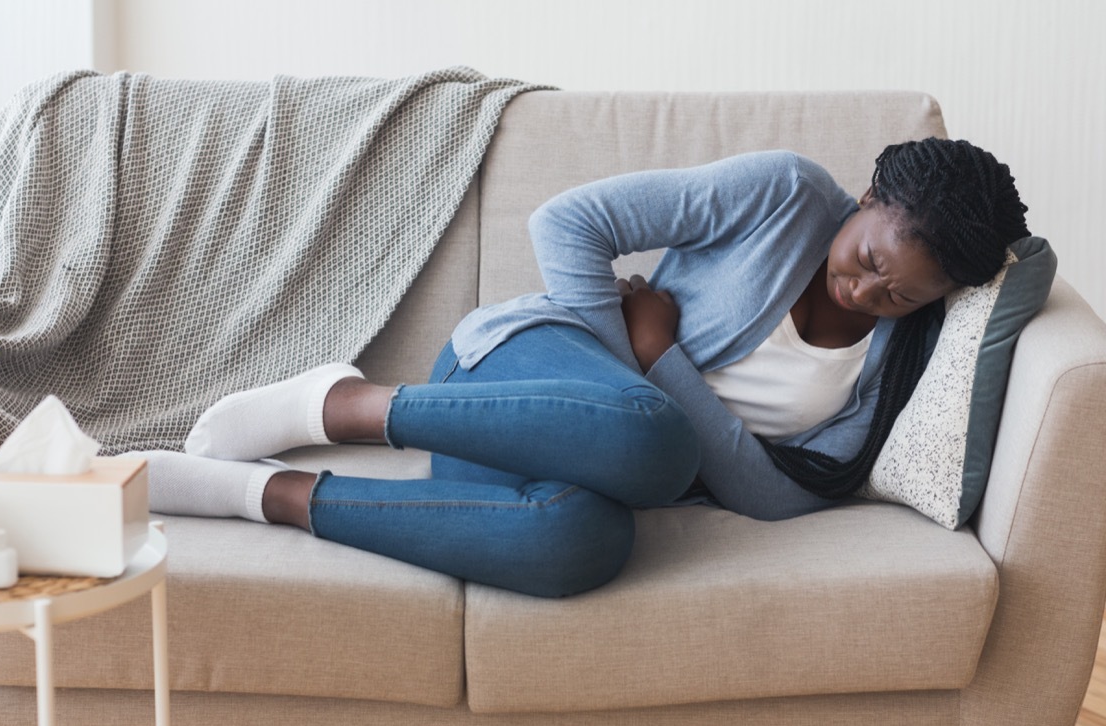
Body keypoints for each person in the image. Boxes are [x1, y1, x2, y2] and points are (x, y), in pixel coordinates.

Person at [131, 137, 1030, 598]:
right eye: (869, 259)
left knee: (579, 545)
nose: (865, 292)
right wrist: (623, 369)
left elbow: (776, 496)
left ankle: (264, 493)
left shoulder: (898, 363)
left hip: (579, 465)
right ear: (867, 198)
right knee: (656, 445)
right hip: (515, 372)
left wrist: (657, 354)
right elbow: (568, 222)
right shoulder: (784, 194)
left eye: (899, 296)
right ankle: (344, 406)